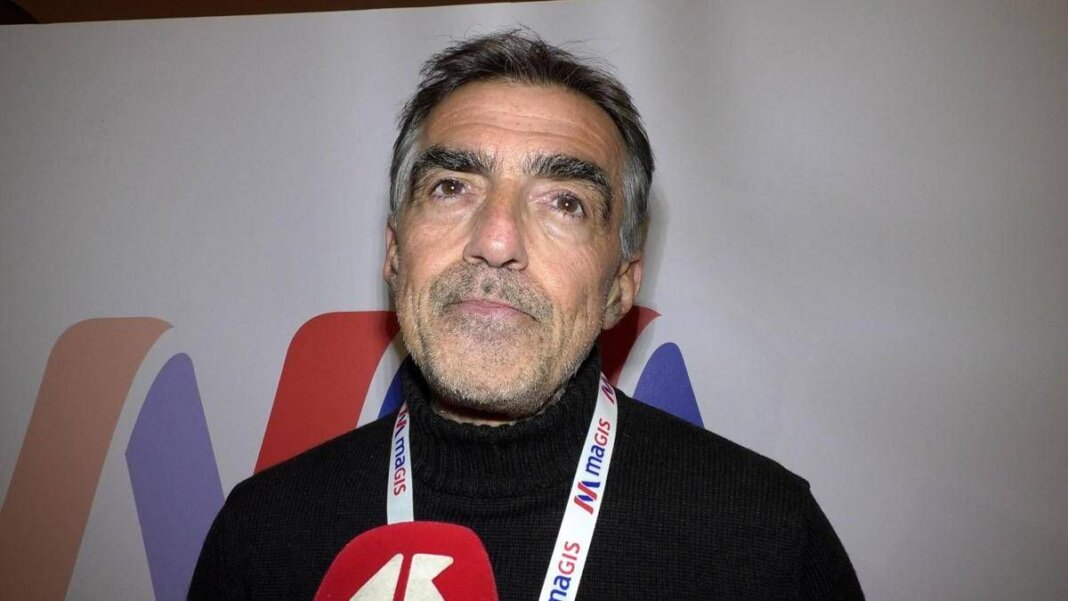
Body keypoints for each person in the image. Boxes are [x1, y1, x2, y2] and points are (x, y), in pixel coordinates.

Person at [190, 29, 864, 600]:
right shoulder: (261, 536)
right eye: (452, 186)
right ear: (394, 252)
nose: (496, 239)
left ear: (620, 285)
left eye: (564, 202)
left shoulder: (767, 540)